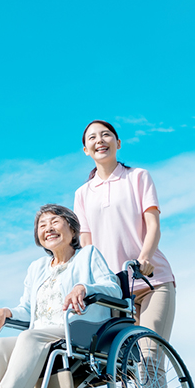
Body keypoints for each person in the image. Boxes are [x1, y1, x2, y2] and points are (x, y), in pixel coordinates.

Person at [0, 204, 120, 388]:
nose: (48, 229)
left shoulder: (88, 255)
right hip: (39, 336)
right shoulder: (37, 268)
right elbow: (27, 309)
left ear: (72, 229)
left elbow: (114, 288)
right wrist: (5, 312)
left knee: (28, 337)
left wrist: (84, 287)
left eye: (55, 222)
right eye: (42, 225)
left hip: (77, 331)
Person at [72, 120, 176, 344]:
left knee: (150, 356)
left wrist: (145, 258)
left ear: (118, 143)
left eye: (106, 135)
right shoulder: (82, 194)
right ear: (85, 150)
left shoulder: (138, 177)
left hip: (151, 281)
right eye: (92, 138)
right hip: (114, 290)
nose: (100, 140)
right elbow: (87, 245)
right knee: (125, 366)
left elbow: (154, 226)